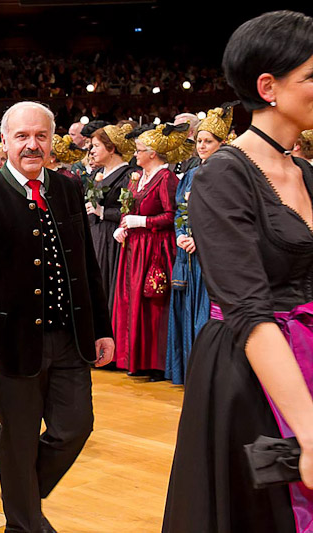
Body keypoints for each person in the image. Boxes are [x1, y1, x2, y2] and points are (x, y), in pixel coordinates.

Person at [164, 11, 313, 532]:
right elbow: (250, 309)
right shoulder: (222, 175)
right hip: (252, 373)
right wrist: (309, 430)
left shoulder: (304, 172)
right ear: (268, 87)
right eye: (312, 77)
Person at [0, 101, 114, 533]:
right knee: (19, 439)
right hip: (9, 347)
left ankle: (20, 498)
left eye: (40, 136)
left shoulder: (67, 188)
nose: (32, 145)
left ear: (52, 140)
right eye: (22, 136)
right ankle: (23, 524)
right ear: (4, 141)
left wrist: (102, 328)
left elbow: (87, 266)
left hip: (69, 339)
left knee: (75, 427)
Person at [164, 103, 235, 385]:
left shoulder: (229, 174)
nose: (202, 146)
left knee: (206, 316)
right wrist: (181, 234)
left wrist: (200, 239)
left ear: (222, 143)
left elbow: (228, 216)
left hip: (212, 257)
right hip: (188, 256)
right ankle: (189, 371)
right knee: (187, 312)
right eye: (200, 141)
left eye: (208, 142)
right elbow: (180, 208)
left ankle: (209, 376)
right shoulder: (192, 174)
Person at [112, 124, 184, 380]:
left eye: (140, 150)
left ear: (153, 153)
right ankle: (132, 358)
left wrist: (142, 222)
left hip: (155, 248)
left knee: (153, 302)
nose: (136, 154)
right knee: (132, 300)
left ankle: (154, 362)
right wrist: (123, 226)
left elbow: (171, 215)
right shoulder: (137, 177)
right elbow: (128, 208)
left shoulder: (166, 179)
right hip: (134, 246)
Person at [85, 123, 138, 316]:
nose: (91, 151)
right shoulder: (98, 174)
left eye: (96, 146)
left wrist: (103, 212)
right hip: (95, 235)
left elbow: (130, 210)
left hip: (111, 240)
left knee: (106, 285)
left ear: (111, 148)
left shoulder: (128, 175)